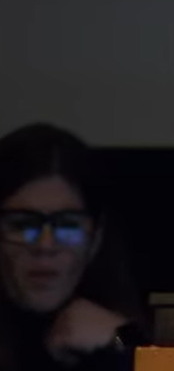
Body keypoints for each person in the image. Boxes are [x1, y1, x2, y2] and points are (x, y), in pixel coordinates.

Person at [0, 123, 146, 371]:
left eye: (68, 225)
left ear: (96, 238)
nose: (45, 245)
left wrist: (122, 340)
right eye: (23, 225)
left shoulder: (114, 331)